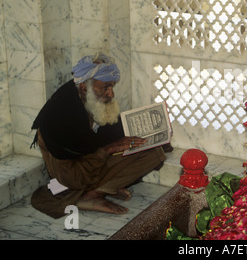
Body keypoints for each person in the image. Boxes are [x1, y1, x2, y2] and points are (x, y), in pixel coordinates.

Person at [30, 53, 167, 218]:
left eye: (112, 87)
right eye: (105, 87)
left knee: (154, 152)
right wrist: (109, 149)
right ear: (84, 87)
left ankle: (102, 188)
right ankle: (91, 196)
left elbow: (106, 133)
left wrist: (154, 131)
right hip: (70, 174)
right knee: (141, 152)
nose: (111, 94)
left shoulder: (87, 98)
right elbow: (73, 173)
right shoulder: (62, 113)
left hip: (90, 162)